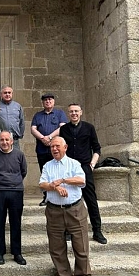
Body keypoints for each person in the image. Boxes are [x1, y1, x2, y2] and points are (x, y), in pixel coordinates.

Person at [39, 136, 94, 276]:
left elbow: (81, 181)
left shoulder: (74, 164)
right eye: (52, 147)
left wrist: (62, 180)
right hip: (54, 211)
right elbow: (42, 184)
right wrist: (54, 187)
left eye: (57, 146)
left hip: (75, 210)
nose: (54, 149)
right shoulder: (47, 166)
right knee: (56, 246)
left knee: (81, 245)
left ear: (65, 147)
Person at [59, 103, 107, 245]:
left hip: (85, 168)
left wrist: (92, 164)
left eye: (76, 111)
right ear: (68, 114)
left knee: (91, 199)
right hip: (69, 168)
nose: (74, 113)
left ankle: (97, 231)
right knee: (67, 199)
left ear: (81, 112)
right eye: (71, 111)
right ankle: (68, 230)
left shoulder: (89, 128)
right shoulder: (64, 129)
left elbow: (96, 148)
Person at [0, 131, 27, 265]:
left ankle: (17, 253)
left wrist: (14, 182)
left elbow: (23, 171)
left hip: (16, 192)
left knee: (16, 223)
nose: (4, 142)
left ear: (12, 141)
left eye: (7, 140)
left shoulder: (19, 154)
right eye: (2, 140)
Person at [31, 93, 67, 206]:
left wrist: (50, 137)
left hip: (56, 149)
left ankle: (59, 194)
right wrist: (42, 138)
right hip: (42, 149)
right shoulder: (38, 115)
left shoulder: (60, 113)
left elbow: (62, 127)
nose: (48, 101)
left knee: (57, 171)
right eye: (45, 100)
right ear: (43, 102)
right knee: (44, 172)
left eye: (50, 99)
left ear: (54, 101)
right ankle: (46, 197)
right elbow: (33, 129)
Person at [0, 85, 25, 150]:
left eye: (9, 93)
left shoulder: (17, 106)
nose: (7, 94)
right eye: (5, 93)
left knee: (15, 158)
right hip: (2, 139)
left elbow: (22, 121)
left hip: (14, 139)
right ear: (1, 94)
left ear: (12, 94)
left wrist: (20, 134)